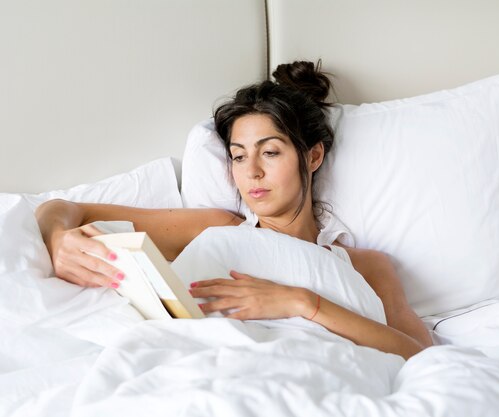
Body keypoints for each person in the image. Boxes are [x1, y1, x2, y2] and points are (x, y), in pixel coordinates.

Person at [35, 60, 433, 359]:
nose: (252, 173)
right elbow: (60, 209)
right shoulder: (219, 227)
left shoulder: (365, 264)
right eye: (239, 157)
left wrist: (299, 302)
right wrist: (59, 239)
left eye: (270, 152)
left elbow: (418, 354)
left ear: (312, 157)